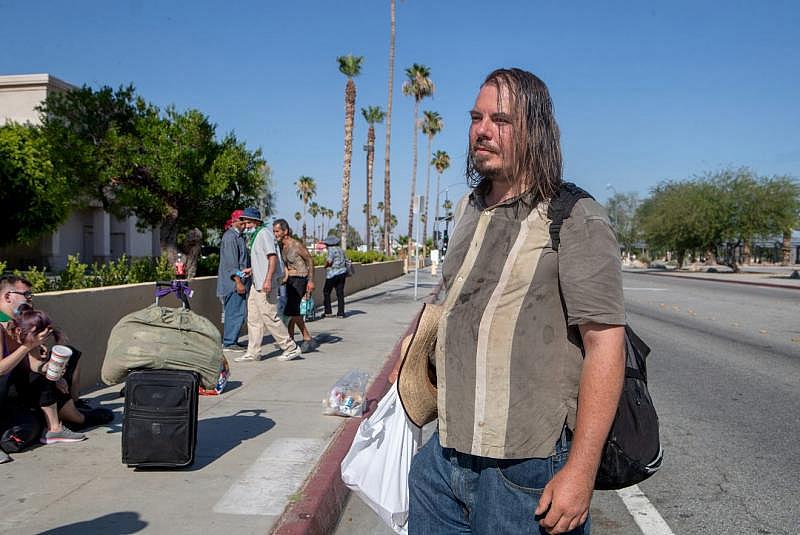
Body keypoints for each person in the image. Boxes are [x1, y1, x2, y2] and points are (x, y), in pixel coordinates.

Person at [407, 68, 626, 534]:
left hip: (527, 470)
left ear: (536, 131)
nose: (482, 130)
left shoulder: (576, 217)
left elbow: (606, 345)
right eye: (477, 117)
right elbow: (452, 301)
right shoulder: (468, 209)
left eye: (501, 120)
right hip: (444, 460)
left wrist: (581, 472)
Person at [0, 276, 113, 445]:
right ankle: (59, 426)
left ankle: (72, 413)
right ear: (8, 296)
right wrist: (27, 347)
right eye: (26, 294)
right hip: (6, 392)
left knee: (67, 359)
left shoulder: (20, 321)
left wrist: (54, 373)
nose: (30, 299)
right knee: (39, 381)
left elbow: (35, 364)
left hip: (20, 387)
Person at [236, 208, 302, 362]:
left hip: (265, 284)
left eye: (248, 221)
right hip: (256, 283)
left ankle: (290, 347)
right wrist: (252, 270)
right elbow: (264, 260)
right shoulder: (256, 236)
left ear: (257, 222)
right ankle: (253, 352)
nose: (245, 225)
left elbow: (272, 258)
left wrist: (267, 280)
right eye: (244, 221)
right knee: (253, 318)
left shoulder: (264, 234)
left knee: (269, 316)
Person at [272, 219, 318, 353]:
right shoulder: (282, 246)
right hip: (291, 280)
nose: (275, 234)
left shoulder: (296, 245)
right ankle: (290, 340)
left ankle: (307, 337)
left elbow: (310, 259)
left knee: (292, 310)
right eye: (274, 231)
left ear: (285, 231)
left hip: (301, 279)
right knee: (291, 311)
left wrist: (311, 281)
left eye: (277, 231)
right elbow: (286, 266)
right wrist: (284, 278)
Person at [216, 209, 250, 353]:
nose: (245, 225)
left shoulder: (239, 237)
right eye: (243, 222)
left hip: (239, 282)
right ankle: (229, 342)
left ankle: (232, 340)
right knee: (234, 313)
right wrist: (238, 281)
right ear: (235, 222)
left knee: (238, 312)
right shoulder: (230, 238)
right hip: (233, 284)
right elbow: (231, 265)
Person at [322, 236, 347, 318]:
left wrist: (325, 266)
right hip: (342, 273)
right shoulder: (340, 249)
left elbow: (329, 261)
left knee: (326, 291)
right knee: (340, 293)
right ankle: (341, 313)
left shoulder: (331, 250)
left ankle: (328, 312)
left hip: (333, 274)